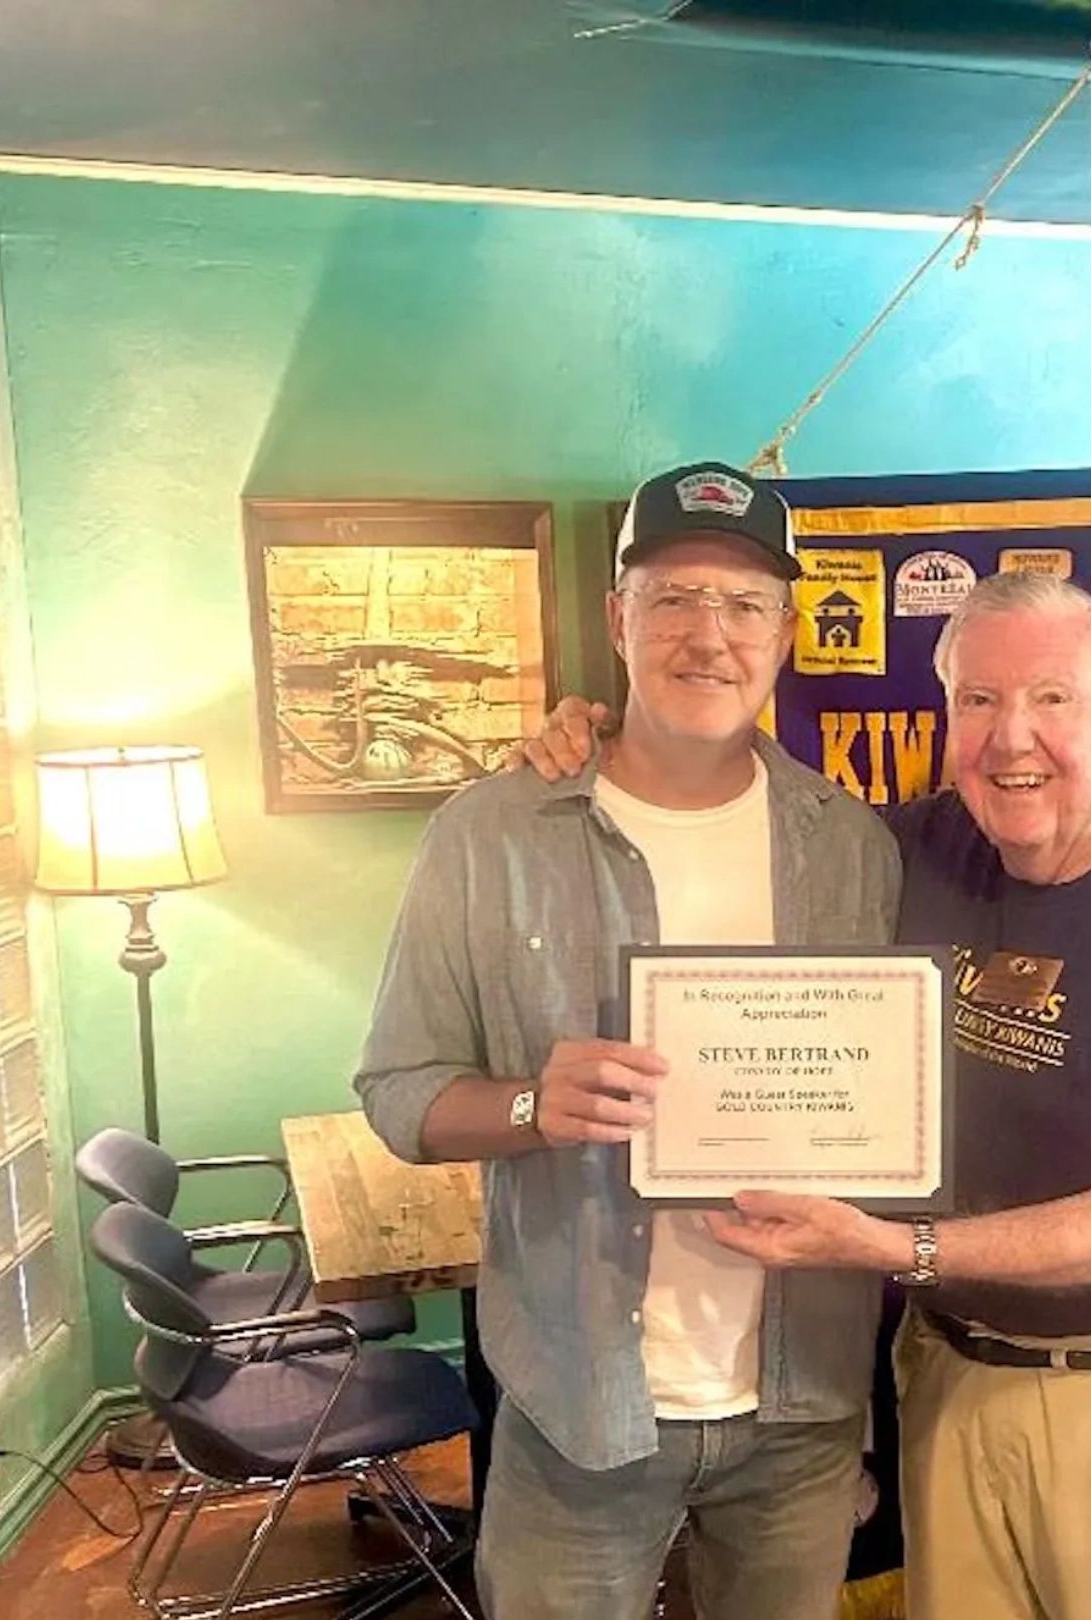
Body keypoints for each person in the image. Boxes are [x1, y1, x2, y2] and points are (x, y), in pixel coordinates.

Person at [524, 570, 1091, 1620]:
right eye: (979, 700)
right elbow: (735, 822)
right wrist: (596, 744)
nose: (1012, 738)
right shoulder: (911, 851)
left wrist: (885, 1246)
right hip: (947, 1372)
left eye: (1053, 699)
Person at [353, 461, 901, 1620]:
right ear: (618, 619)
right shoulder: (490, 835)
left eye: (744, 604)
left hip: (803, 1408)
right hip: (578, 1405)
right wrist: (527, 1107)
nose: (710, 634)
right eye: (674, 599)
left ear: (786, 632)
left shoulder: (854, 846)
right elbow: (399, 1091)